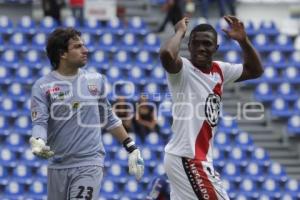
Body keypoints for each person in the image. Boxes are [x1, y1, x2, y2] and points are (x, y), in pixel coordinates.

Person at [29, 27, 144, 200]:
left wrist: (131, 147)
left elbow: (108, 117)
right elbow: (40, 122)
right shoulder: (42, 86)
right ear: (62, 54)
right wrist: (37, 141)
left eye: (84, 45)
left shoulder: (95, 80)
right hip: (57, 166)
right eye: (78, 46)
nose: (86, 50)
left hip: (89, 163)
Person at [159, 16, 263, 199]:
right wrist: (180, 32)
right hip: (188, 157)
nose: (201, 48)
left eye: (207, 44)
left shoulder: (220, 70)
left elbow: (256, 70)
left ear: (216, 48)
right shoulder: (182, 70)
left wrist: (243, 41)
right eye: (196, 43)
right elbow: (167, 54)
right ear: (189, 45)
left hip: (196, 158)